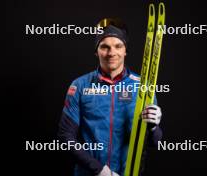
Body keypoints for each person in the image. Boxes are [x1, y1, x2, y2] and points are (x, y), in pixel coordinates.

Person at [58, 18, 163, 176]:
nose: (111, 53)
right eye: (104, 47)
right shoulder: (79, 85)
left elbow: (154, 142)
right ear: (96, 51)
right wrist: (99, 170)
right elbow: (65, 137)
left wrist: (154, 127)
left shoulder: (143, 86)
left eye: (118, 46)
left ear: (125, 50)